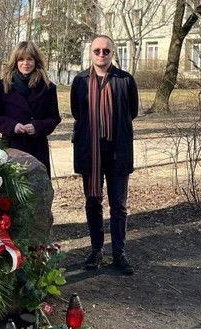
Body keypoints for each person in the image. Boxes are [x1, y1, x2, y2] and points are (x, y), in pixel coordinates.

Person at [70, 35, 139, 275]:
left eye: (106, 51)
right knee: (93, 201)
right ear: (91, 53)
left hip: (118, 151)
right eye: (97, 50)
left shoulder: (125, 80)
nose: (101, 54)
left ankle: (119, 252)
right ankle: (96, 250)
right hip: (91, 152)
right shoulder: (80, 81)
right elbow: (77, 112)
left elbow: (132, 111)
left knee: (119, 205)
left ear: (113, 53)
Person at [0, 41, 61, 176]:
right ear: (15, 62)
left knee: (38, 186)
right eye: (21, 59)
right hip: (12, 145)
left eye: (30, 59)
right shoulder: (4, 85)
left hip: (37, 147)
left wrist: (37, 126)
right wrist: (12, 126)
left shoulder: (48, 87)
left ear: (36, 61)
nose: (25, 63)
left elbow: (54, 117)